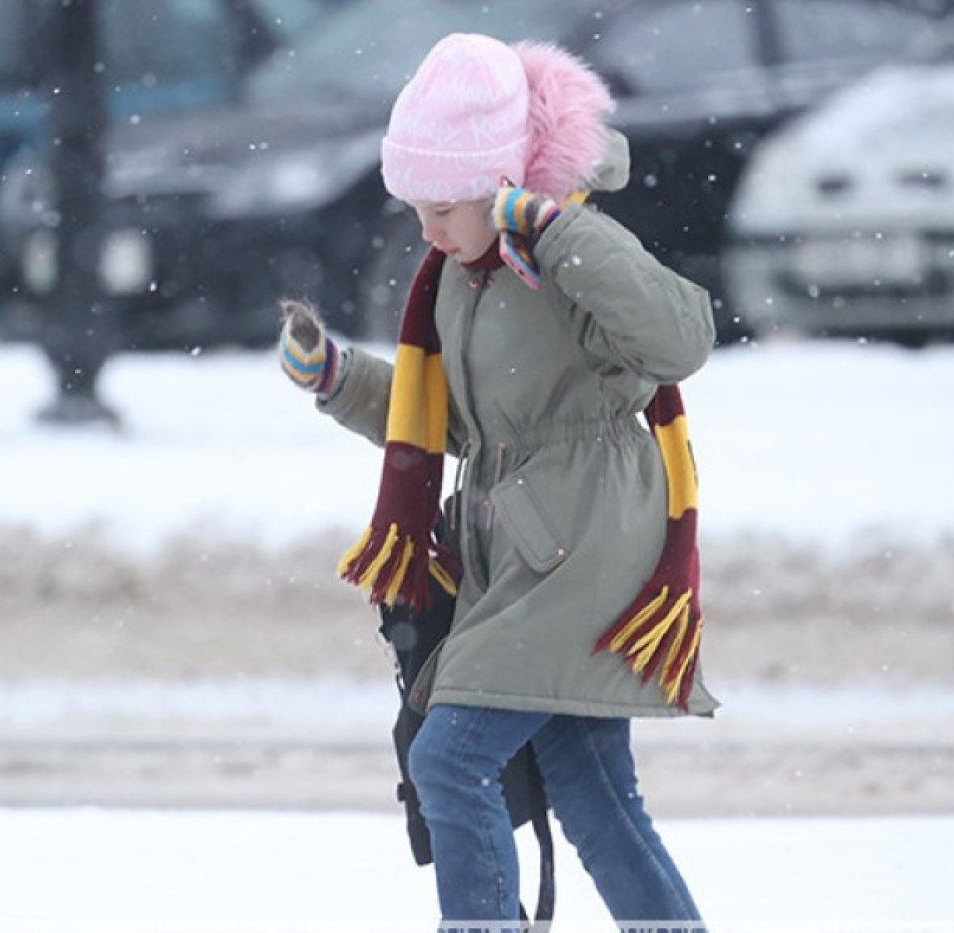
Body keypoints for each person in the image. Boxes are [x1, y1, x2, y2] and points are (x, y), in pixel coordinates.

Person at [278, 32, 717, 928]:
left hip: (581, 547)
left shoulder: (567, 251)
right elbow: (450, 418)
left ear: (500, 185)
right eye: (415, 209)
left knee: (449, 758)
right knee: (594, 792)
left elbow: (683, 339)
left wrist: (564, 233)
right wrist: (339, 380)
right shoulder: (464, 277)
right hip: (521, 548)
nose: (426, 231)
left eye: (440, 206)